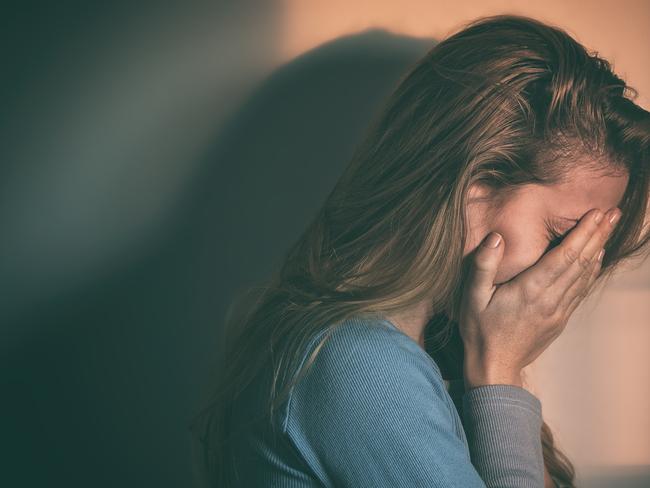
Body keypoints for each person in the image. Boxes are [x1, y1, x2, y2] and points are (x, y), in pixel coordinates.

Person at [190, 14, 650, 488]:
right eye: (562, 236)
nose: (574, 271)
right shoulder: (357, 363)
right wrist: (500, 373)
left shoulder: (415, 351)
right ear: (472, 186)